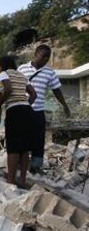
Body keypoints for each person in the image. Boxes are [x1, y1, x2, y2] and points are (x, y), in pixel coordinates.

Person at [18, 45, 71, 173]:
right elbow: (15, 86)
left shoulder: (49, 72)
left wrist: (64, 105)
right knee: (22, 138)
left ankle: (35, 166)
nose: (46, 59)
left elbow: (56, 90)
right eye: (43, 56)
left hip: (38, 111)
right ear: (35, 55)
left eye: (48, 57)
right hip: (22, 110)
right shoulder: (22, 69)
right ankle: (21, 165)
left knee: (38, 140)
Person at [0, 56, 37, 187]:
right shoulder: (22, 75)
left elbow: (8, 89)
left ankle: (11, 181)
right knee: (24, 148)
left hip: (15, 111)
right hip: (27, 111)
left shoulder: (4, 73)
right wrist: (25, 105)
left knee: (12, 148)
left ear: (2, 65)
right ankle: (22, 180)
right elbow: (33, 95)